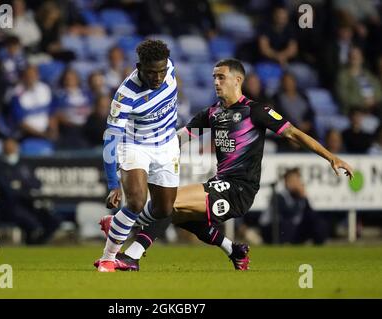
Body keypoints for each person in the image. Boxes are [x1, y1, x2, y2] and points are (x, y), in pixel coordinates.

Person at [95, 58, 354, 271]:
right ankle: (235, 250)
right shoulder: (213, 114)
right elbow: (179, 139)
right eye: (214, 78)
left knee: (169, 204)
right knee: (172, 213)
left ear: (237, 80)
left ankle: (127, 246)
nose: (216, 83)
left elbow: (294, 133)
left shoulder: (256, 112)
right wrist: (143, 150)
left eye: (221, 77)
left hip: (239, 188)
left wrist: (331, 156)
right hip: (219, 184)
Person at [96, 39, 179, 272]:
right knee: (136, 201)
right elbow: (110, 139)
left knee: (164, 210)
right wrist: (113, 184)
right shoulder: (124, 96)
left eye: (161, 71)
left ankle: (117, 223)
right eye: (152, 72)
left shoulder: (170, 67)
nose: (158, 77)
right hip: (134, 145)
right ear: (139, 67)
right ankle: (108, 258)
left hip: (167, 145)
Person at [0, 138, 60, 244]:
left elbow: (36, 183)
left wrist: (20, 185)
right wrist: (23, 187)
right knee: (32, 222)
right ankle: (32, 241)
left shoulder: (24, 165)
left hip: (29, 203)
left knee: (52, 219)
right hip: (10, 206)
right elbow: (6, 189)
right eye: (8, 146)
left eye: (13, 146)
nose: (11, 149)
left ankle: (39, 243)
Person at [259, 168, 328, 245]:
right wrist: (301, 198)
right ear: (286, 182)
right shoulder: (279, 195)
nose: (295, 184)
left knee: (318, 221)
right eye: (292, 181)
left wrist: (305, 198)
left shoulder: (300, 196)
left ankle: (318, 244)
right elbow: (287, 214)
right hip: (271, 229)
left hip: (291, 228)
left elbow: (310, 214)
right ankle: (284, 244)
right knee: (288, 224)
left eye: (297, 181)